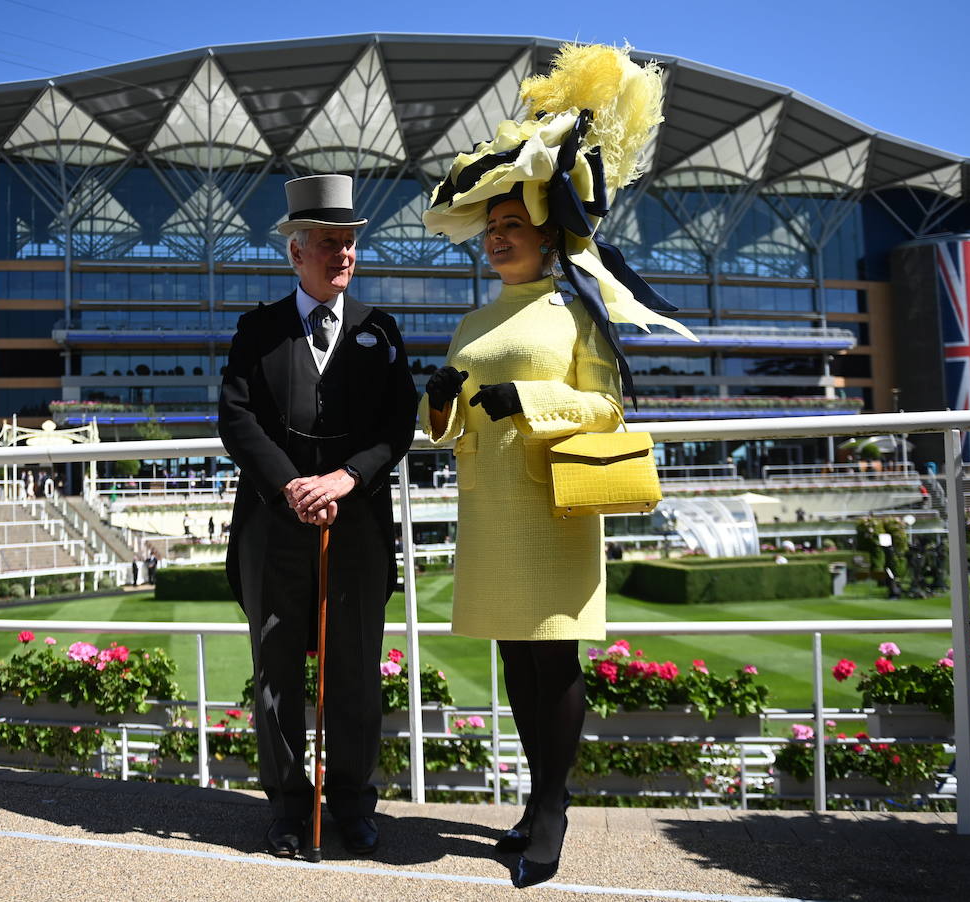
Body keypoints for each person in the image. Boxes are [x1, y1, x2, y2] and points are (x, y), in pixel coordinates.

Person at [417, 43, 691, 889]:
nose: (498, 238)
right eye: (491, 229)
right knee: (513, 663)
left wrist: (527, 406)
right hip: (490, 511)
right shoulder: (469, 323)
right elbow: (440, 434)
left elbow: (607, 409)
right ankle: (535, 806)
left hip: (554, 506)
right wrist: (438, 403)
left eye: (512, 227)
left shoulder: (577, 312)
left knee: (553, 662)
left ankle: (555, 807)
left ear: (546, 235)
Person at [218, 173, 417, 860]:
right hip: (274, 527)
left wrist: (344, 477)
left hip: (356, 527)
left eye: (350, 243)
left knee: (356, 669)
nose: (344, 255)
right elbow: (237, 421)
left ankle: (355, 807)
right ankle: (286, 809)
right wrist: (293, 487)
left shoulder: (381, 331)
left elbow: (399, 426)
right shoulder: (257, 331)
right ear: (296, 252)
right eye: (330, 243)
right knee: (275, 671)